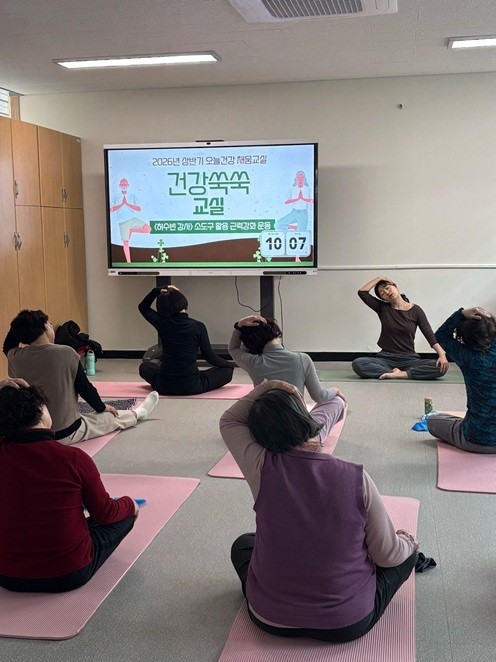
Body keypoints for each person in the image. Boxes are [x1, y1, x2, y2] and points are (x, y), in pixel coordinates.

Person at [220, 380, 425, 642]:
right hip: (345, 623)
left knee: (243, 544)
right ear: (305, 418)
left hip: (269, 618)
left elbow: (229, 419)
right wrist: (408, 542)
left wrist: (266, 386)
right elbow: (387, 555)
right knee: (405, 554)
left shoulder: (260, 466)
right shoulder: (356, 477)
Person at [0, 384, 139, 592]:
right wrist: (130, 504)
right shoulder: (73, 458)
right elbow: (106, 513)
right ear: (41, 411)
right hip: (68, 573)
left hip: (8, 576)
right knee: (123, 515)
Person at [3, 309, 159, 443]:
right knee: (109, 418)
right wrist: (102, 407)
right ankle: (138, 413)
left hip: (29, 434)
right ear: (44, 328)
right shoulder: (66, 353)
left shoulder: (16, 356)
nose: (51, 325)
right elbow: (85, 388)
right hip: (63, 432)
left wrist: (21, 323)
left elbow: (7, 345)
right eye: (49, 323)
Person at [138, 285, 234, 395]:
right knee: (227, 371)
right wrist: (229, 365)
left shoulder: (161, 322)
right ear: (184, 303)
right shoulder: (198, 326)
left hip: (164, 386)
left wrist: (156, 291)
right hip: (192, 386)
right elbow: (209, 357)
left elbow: (143, 307)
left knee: (145, 367)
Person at [229, 315, 344, 405]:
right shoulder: (303, 359)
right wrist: (335, 390)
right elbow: (320, 397)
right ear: (278, 334)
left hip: (264, 423)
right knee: (337, 402)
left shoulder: (252, 362)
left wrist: (238, 326)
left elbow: (233, 348)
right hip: (297, 424)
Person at [427, 306, 496, 453]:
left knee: (432, 420)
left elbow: (440, 336)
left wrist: (461, 314)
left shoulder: (467, 357)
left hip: (475, 439)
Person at [352, 276, 449, 380]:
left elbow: (429, 335)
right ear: (383, 299)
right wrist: (380, 278)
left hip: (409, 359)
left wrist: (442, 355)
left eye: (387, 287)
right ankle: (402, 373)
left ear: (395, 286)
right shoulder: (383, 308)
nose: (386, 292)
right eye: (382, 293)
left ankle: (400, 374)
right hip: (386, 359)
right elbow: (362, 293)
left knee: (440, 367)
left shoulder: (416, 310)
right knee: (358, 363)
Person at [110, 177, 151, 263]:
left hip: (132, 219)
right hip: (122, 222)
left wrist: (127, 204)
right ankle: (129, 262)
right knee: (125, 242)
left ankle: (132, 230)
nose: (124, 185)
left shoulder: (132, 196)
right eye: (122, 184)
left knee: (148, 228)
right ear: (119, 186)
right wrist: (122, 204)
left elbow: (138, 209)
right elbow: (111, 209)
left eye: (125, 184)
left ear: (128, 185)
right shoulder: (115, 197)